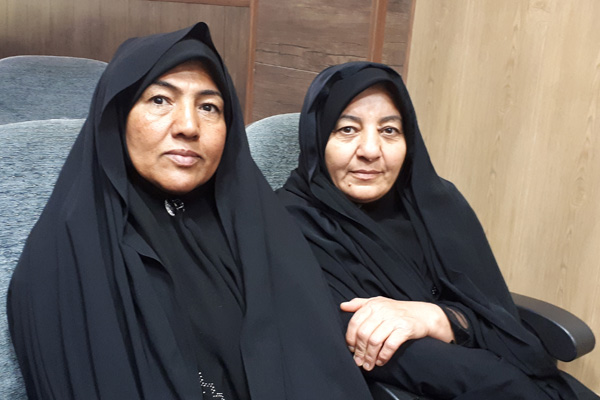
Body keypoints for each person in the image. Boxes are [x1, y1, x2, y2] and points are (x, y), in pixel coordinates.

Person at [7, 24, 374, 400]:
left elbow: (322, 350)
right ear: (118, 115)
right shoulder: (64, 260)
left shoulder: (256, 225)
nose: (188, 126)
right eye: (160, 100)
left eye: (208, 107)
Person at [277, 61, 599, 400]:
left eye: (389, 130)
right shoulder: (286, 225)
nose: (370, 150)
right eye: (347, 129)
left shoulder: (437, 205)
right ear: (316, 139)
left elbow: (498, 316)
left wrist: (437, 317)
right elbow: (355, 346)